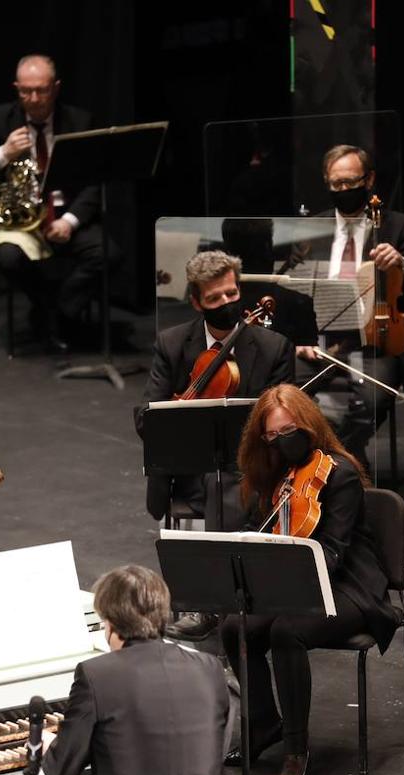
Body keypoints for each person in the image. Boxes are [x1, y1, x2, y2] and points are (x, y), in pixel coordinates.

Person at [0, 564, 248, 775]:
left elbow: (60, 769)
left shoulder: (97, 674)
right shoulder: (209, 668)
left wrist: (50, 741)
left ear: (110, 624)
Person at [219, 384, 394, 775]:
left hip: (350, 586)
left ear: (309, 424)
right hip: (294, 582)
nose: (282, 441)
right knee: (234, 627)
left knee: (285, 631)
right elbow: (257, 529)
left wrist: (284, 572)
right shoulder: (276, 475)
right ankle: (264, 723)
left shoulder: (340, 474)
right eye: (273, 436)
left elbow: (332, 551)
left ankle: (296, 749)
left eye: (289, 430)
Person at [137, 250, 294, 640]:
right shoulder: (172, 344)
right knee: (213, 480)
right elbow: (145, 416)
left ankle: (213, 604)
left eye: (230, 293)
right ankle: (216, 600)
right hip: (189, 467)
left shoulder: (274, 347)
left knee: (222, 481)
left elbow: (285, 419)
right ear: (196, 302)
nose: (226, 303)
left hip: (254, 467)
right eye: (214, 299)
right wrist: (176, 417)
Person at [0, 54, 104, 352]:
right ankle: (47, 306)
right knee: (8, 257)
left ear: (55, 87)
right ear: (16, 88)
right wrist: (4, 152)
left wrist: (69, 222)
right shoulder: (0, 118)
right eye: (25, 91)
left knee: (106, 253)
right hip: (20, 222)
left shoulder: (79, 120)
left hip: (63, 216)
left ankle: (60, 311)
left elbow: (94, 182)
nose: (33, 98)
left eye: (41, 90)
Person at [297, 144, 404, 466]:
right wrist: (302, 339)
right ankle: (337, 460)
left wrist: (401, 265)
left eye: (350, 183)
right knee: (279, 387)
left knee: (374, 397)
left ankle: (336, 461)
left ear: (368, 180)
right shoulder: (311, 229)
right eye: (335, 184)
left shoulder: (396, 226)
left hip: (375, 342)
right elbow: (296, 294)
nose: (343, 190)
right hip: (322, 341)